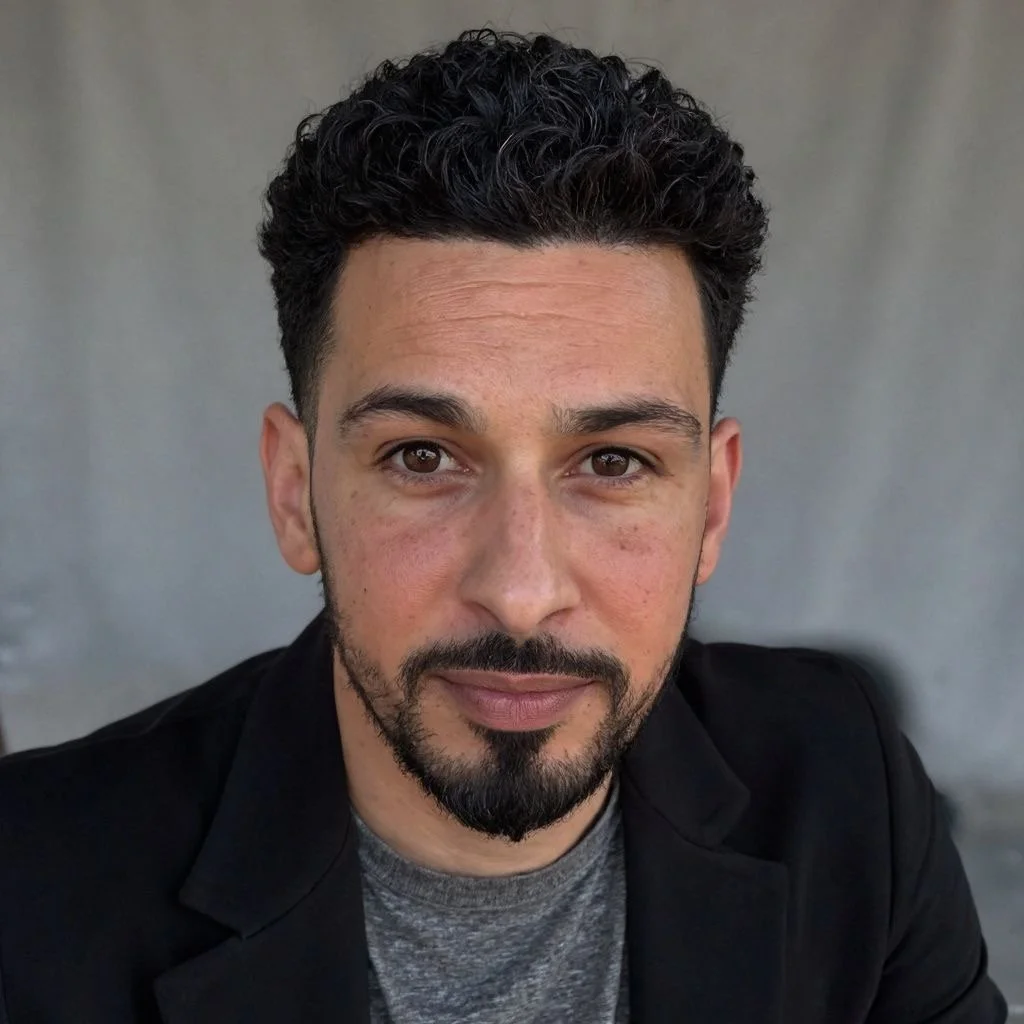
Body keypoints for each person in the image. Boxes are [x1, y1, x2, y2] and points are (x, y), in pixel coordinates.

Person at [0, 28, 1007, 1024]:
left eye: (612, 462)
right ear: (293, 491)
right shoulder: (32, 879)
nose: (520, 590)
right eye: (422, 457)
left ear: (712, 501)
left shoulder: (844, 784)